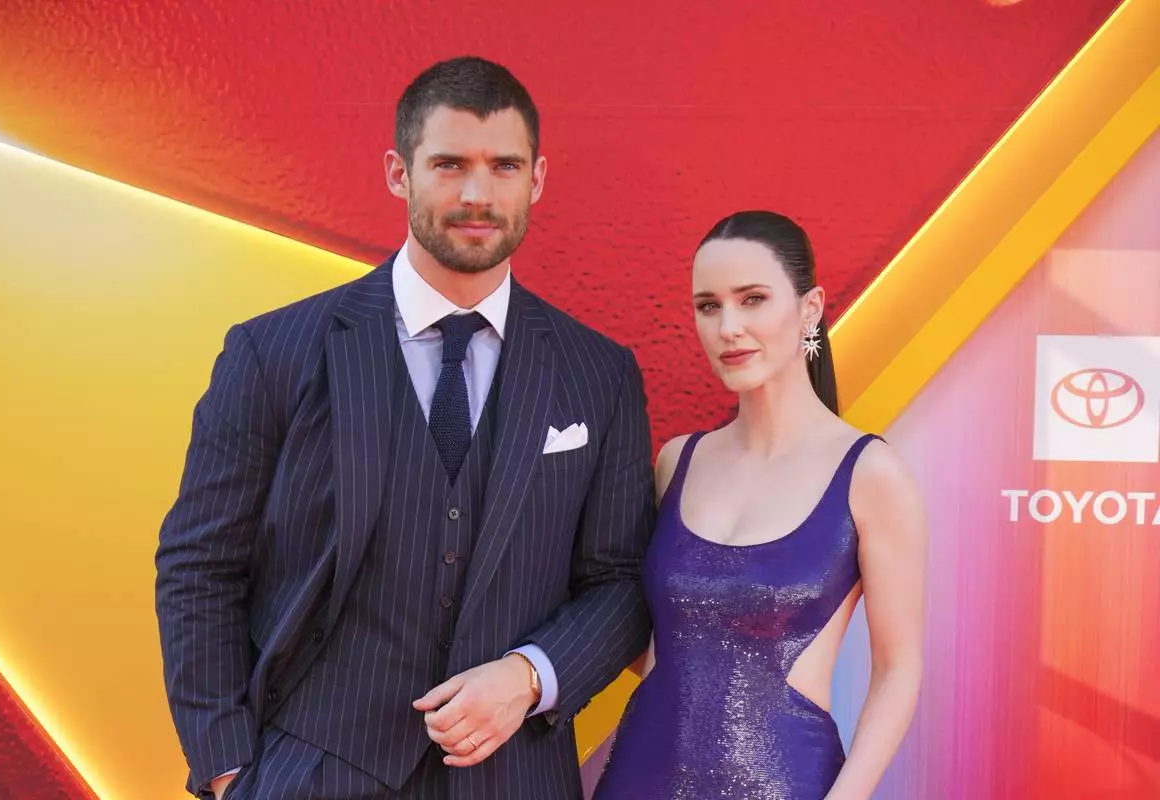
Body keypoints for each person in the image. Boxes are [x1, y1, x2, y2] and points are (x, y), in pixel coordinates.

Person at [155, 56, 655, 800]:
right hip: (308, 771)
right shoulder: (272, 353)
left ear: (538, 179)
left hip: (513, 777)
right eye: (449, 164)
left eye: (504, 166)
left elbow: (619, 583)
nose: (478, 194)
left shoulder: (600, 374)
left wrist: (530, 677)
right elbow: (200, 567)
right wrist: (229, 770)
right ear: (399, 172)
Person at [592, 210, 925, 799]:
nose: (728, 327)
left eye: (752, 299)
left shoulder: (870, 475)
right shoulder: (678, 462)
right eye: (708, 306)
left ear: (810, 308)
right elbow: (650, 638)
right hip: (637, 778)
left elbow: (898, 669)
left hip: (786, 783)